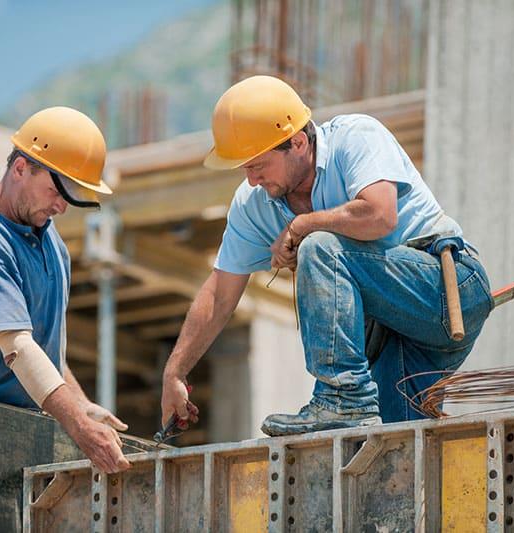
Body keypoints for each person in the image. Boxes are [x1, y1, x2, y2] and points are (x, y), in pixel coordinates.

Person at [160, 76, 494, 436]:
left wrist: (304, 224)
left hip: (447, 289)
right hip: (394, 334)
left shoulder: (355, 138)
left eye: (258, 165)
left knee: (319, 246)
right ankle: (351, 407)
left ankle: (342, 399)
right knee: (397, 451)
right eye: (245, 169)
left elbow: (381, 215)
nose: (252, 179)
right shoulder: (253, 204)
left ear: (298, 142)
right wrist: (174, 371)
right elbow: (219, 293)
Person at [0, 106, 130, 473]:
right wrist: (80, 428)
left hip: (21, 431)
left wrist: (81, 405)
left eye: (70, 196)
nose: (61, 206)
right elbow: (18, 349)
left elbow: (43, 351)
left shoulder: (53, 246)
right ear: (20, 168)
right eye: (56, 190)